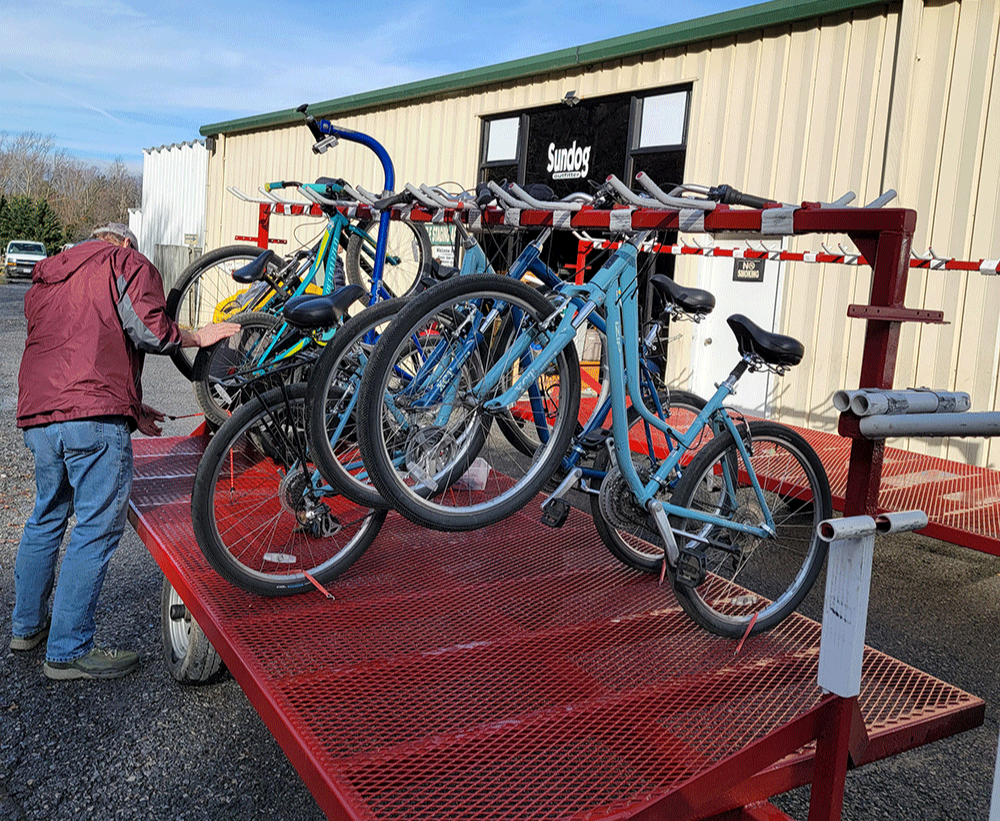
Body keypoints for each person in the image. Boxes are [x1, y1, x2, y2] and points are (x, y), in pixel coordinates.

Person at [10, 223, 239, 680]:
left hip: (40, 417)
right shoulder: (124, 261)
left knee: (46, 517)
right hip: (93, 419)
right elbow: (150, 330)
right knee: (95, 528)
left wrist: (130, 407)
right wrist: (199, 336)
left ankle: (26, 628)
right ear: (127, 241)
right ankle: (67, 651)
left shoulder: (48, 276)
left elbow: (77, 350)